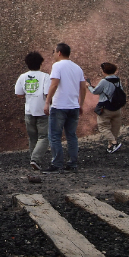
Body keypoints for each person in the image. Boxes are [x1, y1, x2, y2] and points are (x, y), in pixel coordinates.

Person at [42, 43, 86, 173]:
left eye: (54, 52)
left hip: (59, 106)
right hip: (73, 106)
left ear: (59, 52)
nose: (54, 54)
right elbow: (83, 87)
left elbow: (54, 84)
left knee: (55, 136)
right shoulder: (77, 67)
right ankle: (72, 164)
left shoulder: (57, 65)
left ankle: (57, 164)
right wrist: (81, 104)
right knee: (71, 136)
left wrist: (47, 102)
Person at [15, 51, 51, 172]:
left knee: (32, 138)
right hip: (43, 110)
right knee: (44, 136)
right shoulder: (45, 76)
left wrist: (29, 94)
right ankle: (35, 159)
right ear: (41, 63)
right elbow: (47, 94)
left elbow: (19, 94)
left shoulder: (22, 77)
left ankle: (33, 160)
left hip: (29, 110)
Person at [87, 62, 124, 153]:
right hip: (117, 108)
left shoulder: (104, 81)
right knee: (115, 127)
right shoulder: (118, 80)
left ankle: (114, 143)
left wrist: (88, 86)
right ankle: (111, 146)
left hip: (106, 108)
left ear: (104, 71)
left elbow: (95, 92)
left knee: (103, 126)